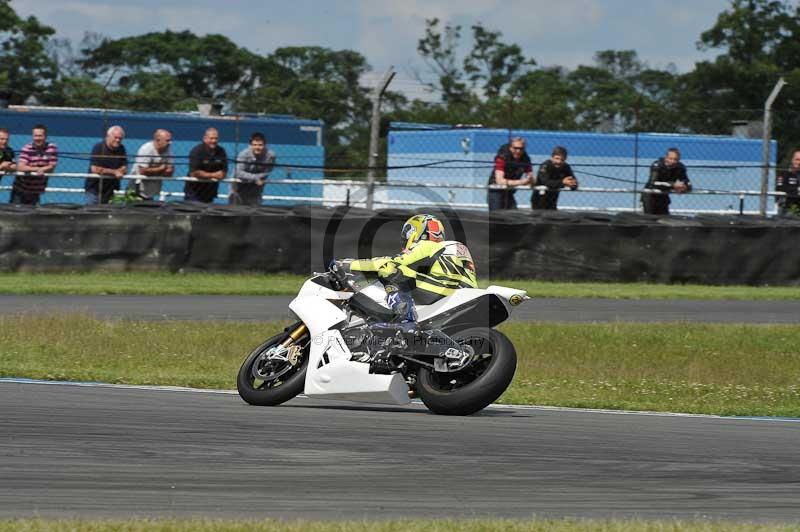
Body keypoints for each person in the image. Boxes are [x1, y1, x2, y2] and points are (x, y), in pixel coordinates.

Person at [350, 214, 478, 324]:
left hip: (449, 292)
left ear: (414, 233)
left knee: (389, 269)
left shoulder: (428, 245)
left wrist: (348, 265)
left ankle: (406, 320)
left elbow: (391, 262)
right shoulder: (446, 248)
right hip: (463, 293)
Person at [12, 124, 58, 205]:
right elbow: (21, 166)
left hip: (36, 190)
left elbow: (52, 165)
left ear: (45, 136)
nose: (37, 138)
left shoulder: (51, 148)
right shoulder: (27, 148)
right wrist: (37, 169)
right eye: (35, 136)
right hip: (21, 189)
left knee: (33, 215)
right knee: (16, 213)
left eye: (40, 136)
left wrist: (43, 169)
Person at [641, 147, 692, 215]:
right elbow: (652, 183)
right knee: (649, 219)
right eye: (671, 158)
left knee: (664, 219)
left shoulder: (680, 168)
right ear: (666, 158)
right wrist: (672, 185)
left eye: (676, 159)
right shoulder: (657, 165)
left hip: (663, 196)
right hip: (650, 196)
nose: (673, 161)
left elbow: (687, 183)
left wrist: (684, 188)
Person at [229, 132, 275, 206]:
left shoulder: (270, 156)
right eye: (254, 145)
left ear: (265, 145)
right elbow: (238, 172)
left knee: (254, 211)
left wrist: (259, 178)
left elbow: (267, 171)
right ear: (250, 145)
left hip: (256, 188)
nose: (257, 147)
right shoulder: (244, 154)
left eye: (260, 145)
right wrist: (255, 178)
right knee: (237, 212)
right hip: (238, 186)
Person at [487, 137, 533, 211]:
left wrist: (530, 180)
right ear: (510, 147)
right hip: (496, 190)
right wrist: (522, 182)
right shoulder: (502, 157)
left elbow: (530, 177)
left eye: (521, 149)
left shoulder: (525, 158)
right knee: (496, 217)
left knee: (513, 217)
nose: (518, 151)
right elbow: (499, 181)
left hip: (509, 192)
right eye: (515, 148)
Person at [128, 129, 174, 201]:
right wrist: (161, 169)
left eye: (170, 140)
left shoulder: (168, 151)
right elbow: (142, 171)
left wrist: (154, 171)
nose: (170, 143)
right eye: (167, 140)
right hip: (138, 190)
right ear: (158, 140)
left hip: (152, 190)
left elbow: (170, 171)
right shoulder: (146, 149)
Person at [86, 125, 128, 204]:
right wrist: (115, 172)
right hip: (95, 189)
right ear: (108, 136)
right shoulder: (99, 147)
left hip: (111, 189)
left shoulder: (121, 149)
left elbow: (124, 168)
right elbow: (94, 169)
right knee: (92, 212)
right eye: (115, 137)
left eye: (120, 138)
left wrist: (120, 171)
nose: (118, 140)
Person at [186, 127, 228, 203]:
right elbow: (194, 173)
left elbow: (224, 172)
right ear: (205, 138)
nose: (214, 141)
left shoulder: (221, 151)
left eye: (216, 138)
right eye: (211, 138)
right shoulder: (197, 151)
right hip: (194, 192)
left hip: (210, 192)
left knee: (207, 214)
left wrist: (220, 174)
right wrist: (214, 175)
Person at [532, 145, 578, 210]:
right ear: (552, 157)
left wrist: (572, 184)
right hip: (540, 199)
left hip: (553, 199)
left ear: (565, 159)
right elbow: (546, 182)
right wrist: (562, 182)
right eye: (557, 158)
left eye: (562, 160)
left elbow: (574, 183)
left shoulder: (566, 167)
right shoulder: (545, 166)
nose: (559, 162)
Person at [775, 149, 800, 216]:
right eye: (797, 159)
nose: (799, 162)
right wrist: (797, 190)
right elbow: (780, 188)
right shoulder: (784, 172)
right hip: (788, 207)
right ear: (792, 160)